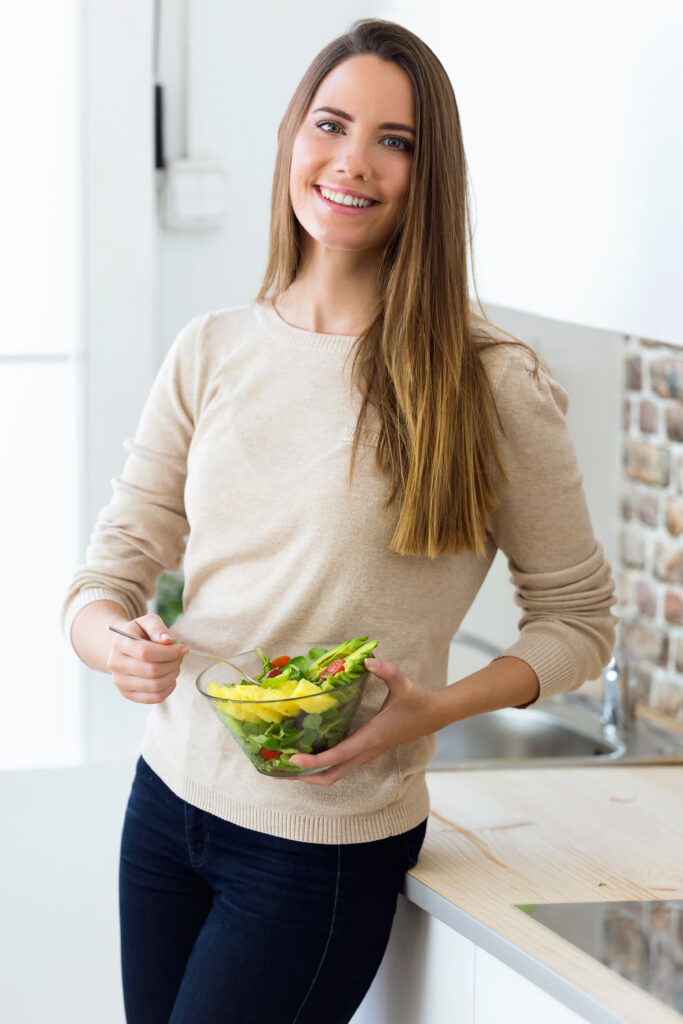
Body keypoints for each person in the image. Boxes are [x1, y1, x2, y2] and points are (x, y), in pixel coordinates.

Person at [61, 17, 618, 1024]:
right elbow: (111, 565)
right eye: (330, 124)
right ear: (292, 138)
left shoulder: (486, 383)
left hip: (316, 852)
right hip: (164, 804)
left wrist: (431, 710)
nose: (351, 162)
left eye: (394, 141)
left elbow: (577, 622)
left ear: (427, 172)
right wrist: (114, 644)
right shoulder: (212, 348)